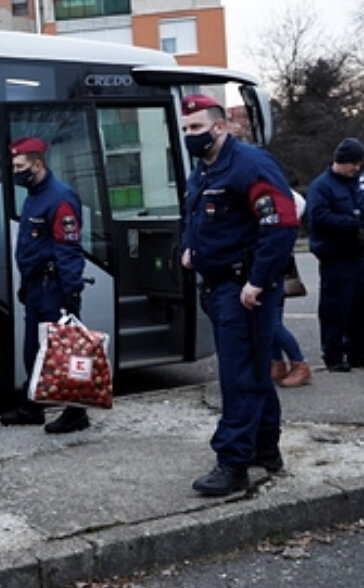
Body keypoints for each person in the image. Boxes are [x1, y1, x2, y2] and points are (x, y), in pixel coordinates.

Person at [179, 94, 299, 496]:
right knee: (251, 370)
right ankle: (265, 449)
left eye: (196, 127)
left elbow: (280, 224)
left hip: (244, 290)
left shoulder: (250, 165)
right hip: (217, 285)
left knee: (239, 377)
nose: (189, 135)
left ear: (220, 126)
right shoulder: (204, 171)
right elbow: (196, 216)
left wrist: (258, 281)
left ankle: (232, 464)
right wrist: (189, 248)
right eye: (185, 129)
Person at [0, 137, 90, 435]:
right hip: (37, 286)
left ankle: (76, 413)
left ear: (38, 164)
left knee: (61, 352)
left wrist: (71, 293)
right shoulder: (34, 196)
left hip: (55, 288)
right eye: (14, 166)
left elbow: (68, 247)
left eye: (20, 166)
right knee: (34, 351)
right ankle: (33, 406)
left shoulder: (59, 198)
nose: (16, 172)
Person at [304, 137, 364, 372]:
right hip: (335, 256)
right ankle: (333, 354)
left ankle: (358, 352)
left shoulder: (355, 183)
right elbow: (318, 216)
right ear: (342, 161)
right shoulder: (322, 186)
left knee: (359, 306)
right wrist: (352, 223)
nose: (357, 168)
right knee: (335, 308)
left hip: (357, 254)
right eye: (354, 164)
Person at [271, 191, 311, 387]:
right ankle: (277, 364)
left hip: (272, 266)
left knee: (271, 323)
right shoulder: (287, 194)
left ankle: (298, 363)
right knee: (272, 321)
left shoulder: (279, 195)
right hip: (276, 264)